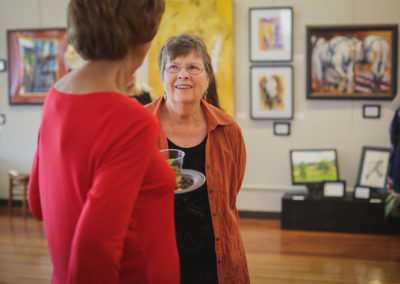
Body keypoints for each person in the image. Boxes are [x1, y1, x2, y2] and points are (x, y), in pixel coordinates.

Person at [28, 1, 180, 283]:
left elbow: (38, 203)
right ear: (143, 35)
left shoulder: (57, 96)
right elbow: (94, 248)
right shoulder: (131, 120)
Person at [146, 33, 250, 284]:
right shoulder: (138, 127)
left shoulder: (228, 129)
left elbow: (230, 193)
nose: (183, 75)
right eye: (173, 67)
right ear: (162, 77)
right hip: (155, 259)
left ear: (207, 79)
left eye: (193, 67)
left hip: (215, 259)